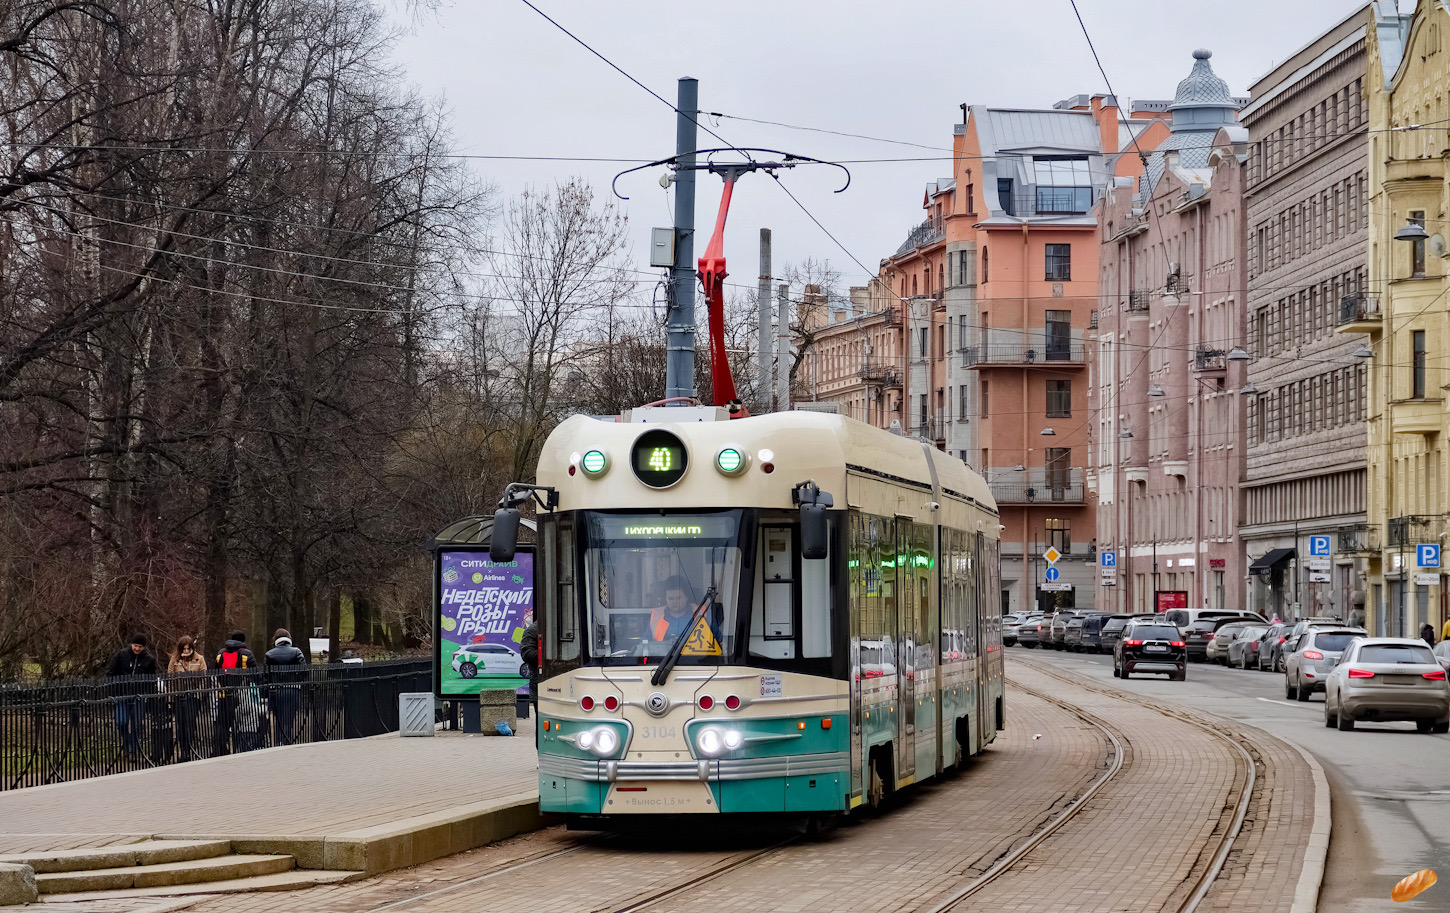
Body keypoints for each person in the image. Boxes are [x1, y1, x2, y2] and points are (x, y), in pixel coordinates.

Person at [106, 633, 158, 757]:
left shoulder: (149, 660)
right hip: (122, 695)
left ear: (144, 647)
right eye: (135, 646)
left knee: (136, 724)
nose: (137, 649)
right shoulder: (121, 655)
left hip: (138, 696)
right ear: (131, 644)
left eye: (140, 647)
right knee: (121, 722)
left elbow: (152, 679)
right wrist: (114, 690)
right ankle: (128, 742)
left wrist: (147, 694)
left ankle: (132, 749)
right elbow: (110, 673)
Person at [213, 632, 259, 755]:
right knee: (242, 722)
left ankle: (221, 748)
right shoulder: (246, 654)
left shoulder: (220, 653)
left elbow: (216, 671)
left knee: (223, 722)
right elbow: (255, 674)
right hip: (242, 694)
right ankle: (240, 747)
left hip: (223, 693)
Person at [648, 577, 719, 655]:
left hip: (696, 661)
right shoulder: (656, 615)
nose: (675, 601)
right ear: (665, 599)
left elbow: (717, 639)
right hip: (662, 662)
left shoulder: (702, 612)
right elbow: (646, 643)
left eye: (678, 598)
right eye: (670, 598)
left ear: (686, 597)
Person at [265, 629, 308, 746]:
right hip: (293, 689)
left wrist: (266, 693)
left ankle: (278, 740)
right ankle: (286, 741)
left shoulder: (269, 654)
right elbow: (304, 672)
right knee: (289, 718)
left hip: (275, 691)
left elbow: (265, 676)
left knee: (277, 718)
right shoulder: (296, 652)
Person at [167, 636, 207, 761]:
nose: (186, 651)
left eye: (188, 648)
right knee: (180, 724)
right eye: (183, 649)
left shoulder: (199, 659)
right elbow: (170, 678)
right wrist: (171, 697)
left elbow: (204, 678)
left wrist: (198, 696)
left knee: (190, 723)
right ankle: (183, 750)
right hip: (179, 696)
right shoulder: (175, 660)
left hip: (193, 696)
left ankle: (189, 749)